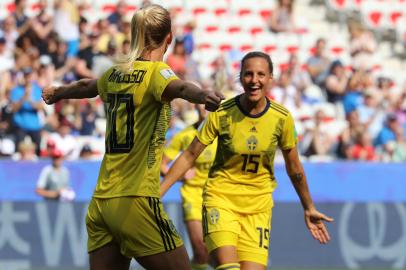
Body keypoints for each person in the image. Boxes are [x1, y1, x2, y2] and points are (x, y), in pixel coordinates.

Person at [41, 4, 224, 270]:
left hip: (102, 203)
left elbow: (86, 86)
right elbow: (180, 87)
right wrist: (203, 94)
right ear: (169, 37)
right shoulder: (157, 74)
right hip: (137, 200)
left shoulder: (116, 73)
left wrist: (59, 92)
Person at [161, 51, 333, 270]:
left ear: (271, 78)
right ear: (240, 77)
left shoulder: (282, 119)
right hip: (221, 200)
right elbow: (189, 155)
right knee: (221, 262)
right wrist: (158, 193)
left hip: (258, 208)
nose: (254, 80)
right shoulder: (222, 112)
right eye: (248, 74)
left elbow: (294, 168)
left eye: (261, 74)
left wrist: (308, 207)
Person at [161, 104, 217, 270]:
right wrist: (182, 175)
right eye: (203, 105)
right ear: (196, 107)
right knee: (200, 248)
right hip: (192, 194)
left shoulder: (224, 133)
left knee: (217, 252)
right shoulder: (185, 135)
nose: (206, 108)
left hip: (218, 194)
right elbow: (161, 165)